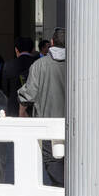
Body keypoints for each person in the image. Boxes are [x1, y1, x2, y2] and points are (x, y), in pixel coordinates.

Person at [18, 27, 66, 187]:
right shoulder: (79, 63)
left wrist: (21, 112)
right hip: (74, 125)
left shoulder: (39, 65)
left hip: (47, 125)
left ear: (51, 42)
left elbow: (29, 94)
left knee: (53, 163)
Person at [0, 37, 36, 116]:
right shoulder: (37, 64)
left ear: (16, 50)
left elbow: (5, 89)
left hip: (14, 106)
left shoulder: (9, 65)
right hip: (34, 107)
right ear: (33, 49)